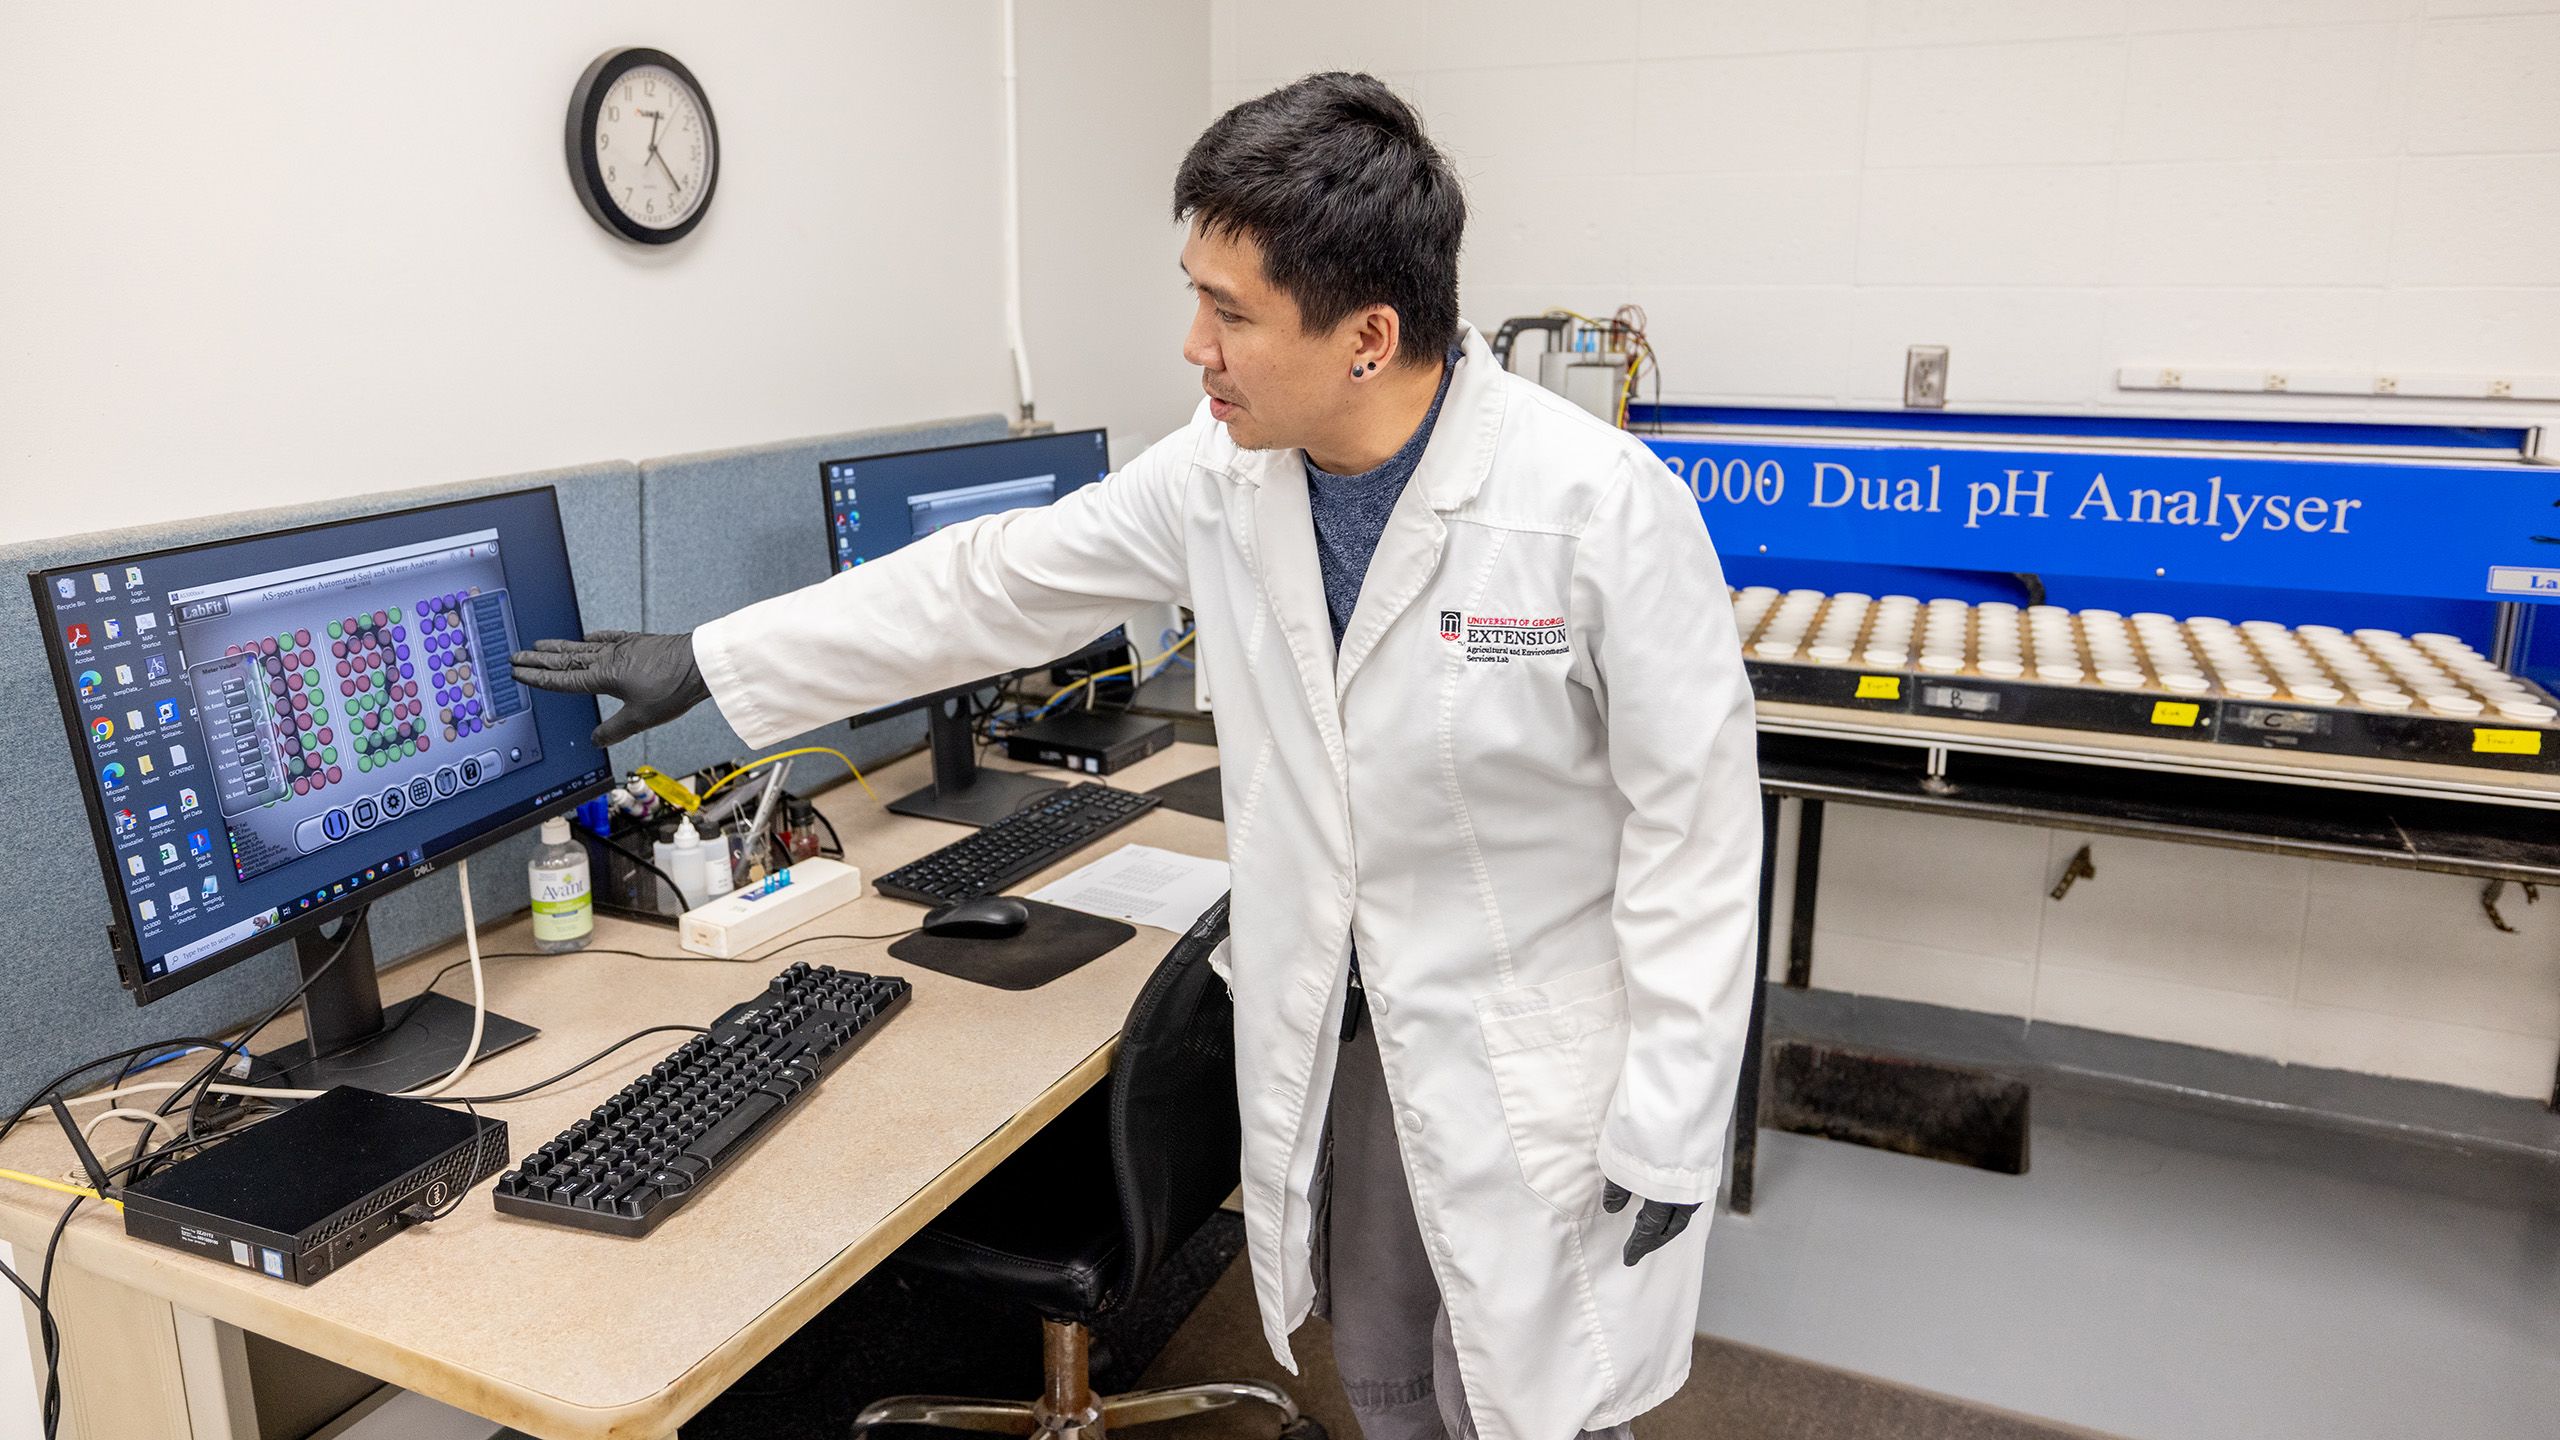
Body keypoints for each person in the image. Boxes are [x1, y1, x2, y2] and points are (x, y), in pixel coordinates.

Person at [512, 72, 1761, 1440]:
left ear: (1367, 336)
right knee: (1391, 1368)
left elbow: (1696, 843)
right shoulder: (1218, 479)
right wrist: (715, 658)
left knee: (1535, 1401)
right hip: (1356, 1038)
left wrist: (1668, 1120)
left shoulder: (1594, 513)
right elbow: (989, 583)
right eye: (1196, 296)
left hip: (1537, 1056)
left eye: (1230, 313)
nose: (1193, 346)